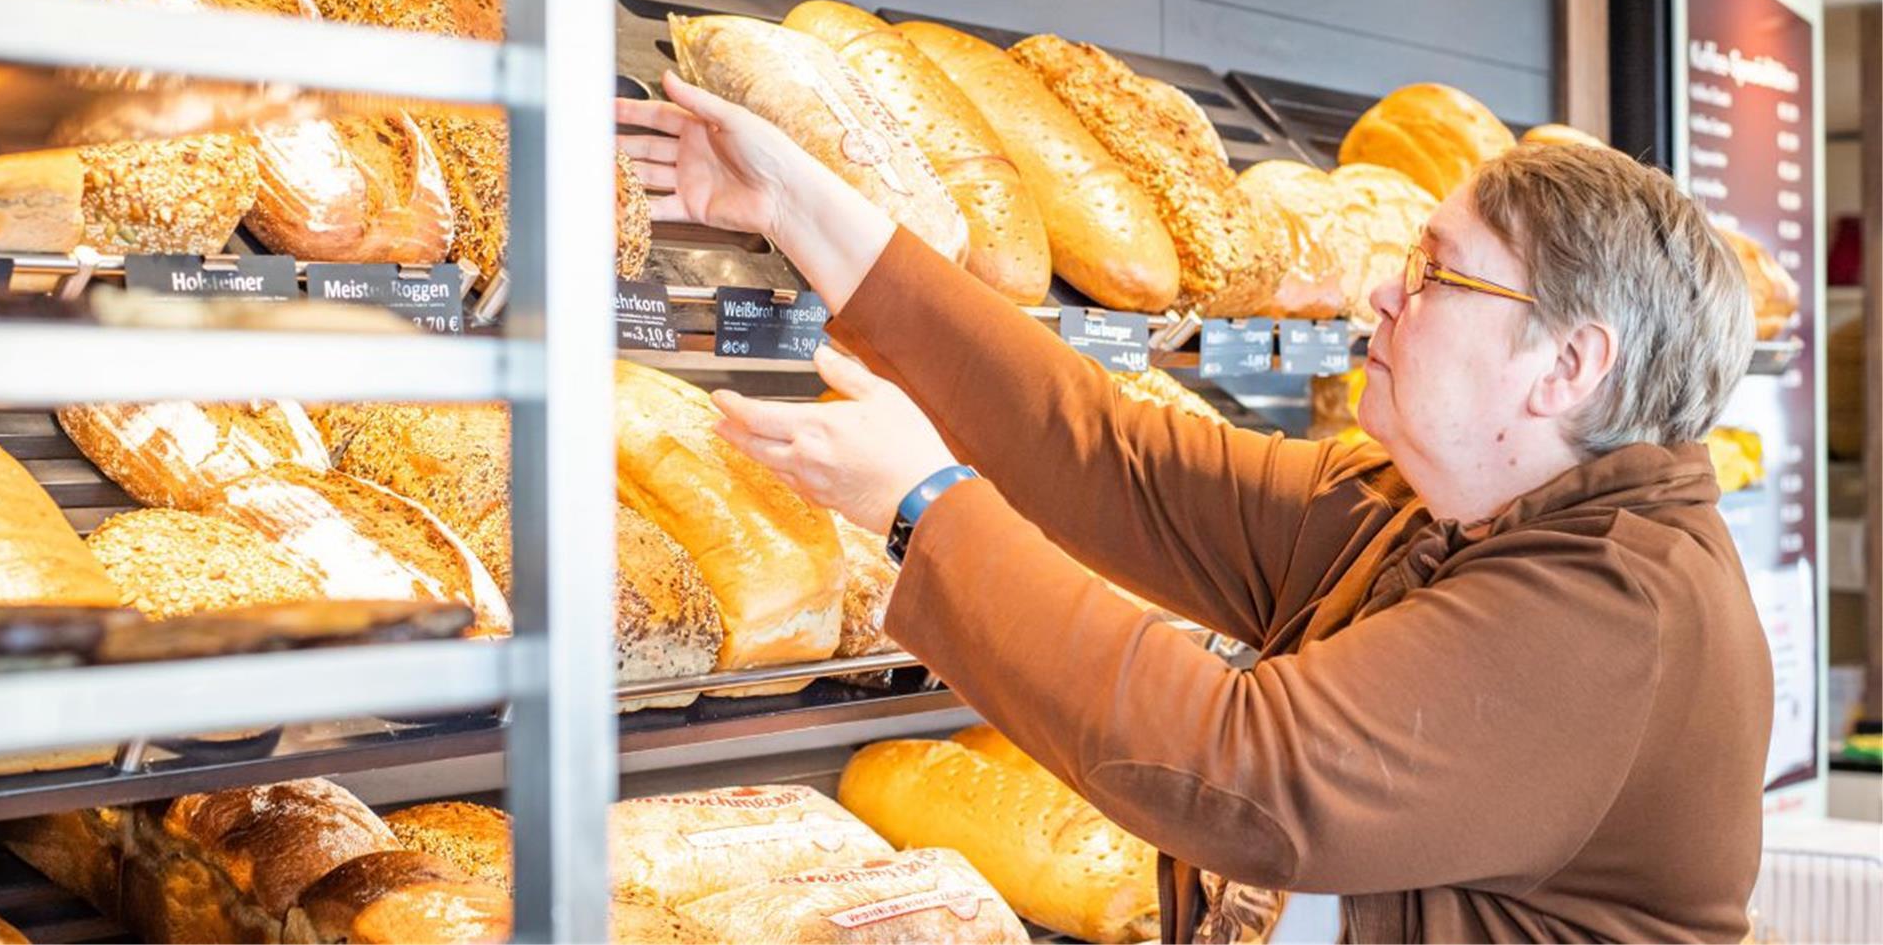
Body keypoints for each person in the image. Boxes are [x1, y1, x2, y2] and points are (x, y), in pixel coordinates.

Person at [618, 71, 1773, 945]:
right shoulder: (1424, 511)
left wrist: (926, 507)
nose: (1384, 287)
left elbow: (1243, 772)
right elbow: (1109, 455)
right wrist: (799, 204)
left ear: (1567, 366)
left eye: (1435, 272)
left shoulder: (1618, 612)